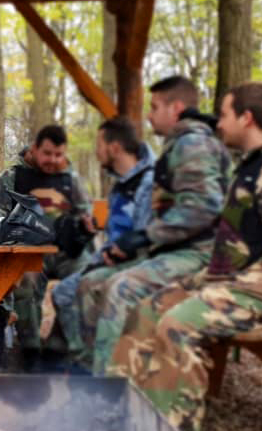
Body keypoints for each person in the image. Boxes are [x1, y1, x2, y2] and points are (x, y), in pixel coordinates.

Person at [109, 83, 262, 431]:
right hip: (235, 279)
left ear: (247, 117)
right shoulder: (256, 164)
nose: (218, 123)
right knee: (147, 310)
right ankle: (129, 423)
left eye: (224, 115)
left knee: (178, 325)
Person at [76, 75, 230, 374]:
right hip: (172, 251)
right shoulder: (181, 145)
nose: (149, 114)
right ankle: (93, 372)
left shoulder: (193, 144)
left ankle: (110, 392)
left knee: (120, 289)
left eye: (155, 107)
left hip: (200, 255)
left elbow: (204, 207)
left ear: (176, 108)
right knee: (91, 282)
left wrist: (145, 236)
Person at [49, 117, 154, 369]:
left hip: (136, 264)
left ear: (114, 147)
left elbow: (146, 236)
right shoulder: (122, 183)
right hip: (112, 258)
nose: (96, 151)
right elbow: (120, 229)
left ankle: (91, 366)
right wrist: (91, 227)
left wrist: (115, 255)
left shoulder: (148, 183)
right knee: (63, 292)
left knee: (83, 286)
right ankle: (80, 360)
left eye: (99, 144)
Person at [0, 124, 94, 369]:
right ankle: (31, 350)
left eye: (58, 155)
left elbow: (84, 214)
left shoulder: (69, 177)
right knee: (25, 281)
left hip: (65, 250)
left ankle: (63, 350)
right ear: (35, 149)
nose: (53, 160)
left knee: (90, 276)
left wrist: (83, 227)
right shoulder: (12, 177)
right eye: (47, 154)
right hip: (29, 250)